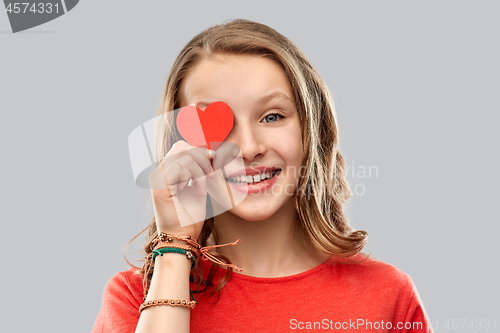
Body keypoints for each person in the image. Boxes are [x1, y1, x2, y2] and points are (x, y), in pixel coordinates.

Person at [92, 19, 433, 333]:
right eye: (219, 125)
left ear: (312, 130)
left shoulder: (388, 294)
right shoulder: (133, 299)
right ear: (179, 146)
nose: (248, 147)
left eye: (271, 117)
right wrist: (175, 247)